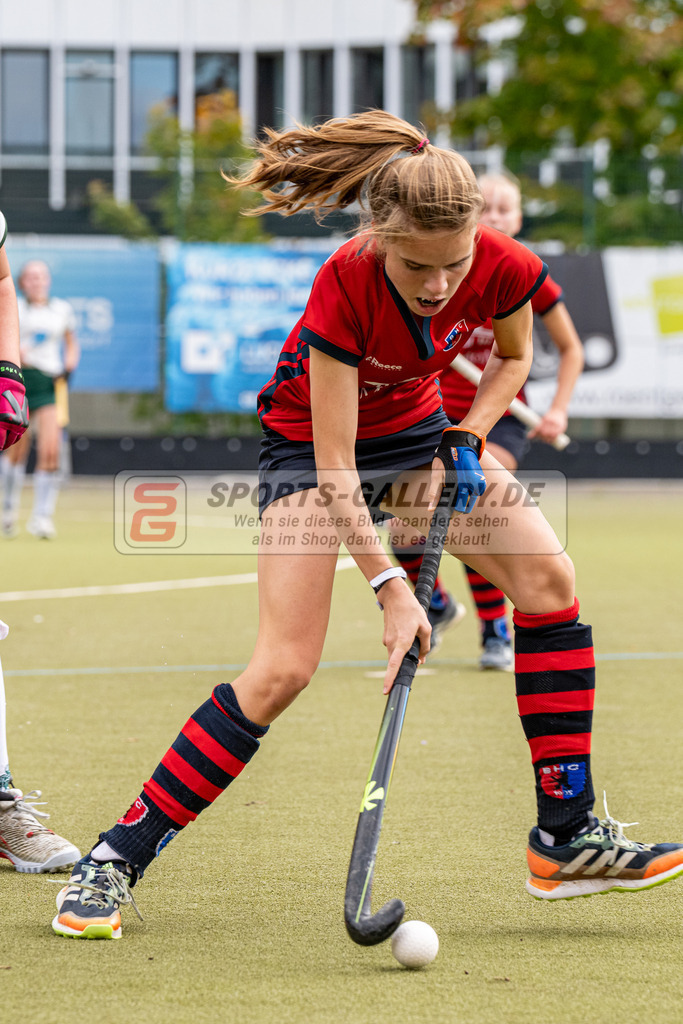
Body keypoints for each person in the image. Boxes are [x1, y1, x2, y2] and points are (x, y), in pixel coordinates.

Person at [51, 112, 683, 941]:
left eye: (451, 265)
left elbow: (514, 357)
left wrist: (470, 433)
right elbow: (337, 466)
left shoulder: (501, 261)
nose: (435, 285)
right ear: (381, 236)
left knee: (549, 582)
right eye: (415, 266)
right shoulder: (344, 283)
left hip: (423, 441)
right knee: (282, 668)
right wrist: (390, 588)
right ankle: (115, 856)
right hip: (314, 459)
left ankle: (563, 836)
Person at [391, 171, 585, 671]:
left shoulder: (522, 273)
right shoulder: (441, 272)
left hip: (497, 416)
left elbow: (570, 349)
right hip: (433, 413)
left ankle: (496, 629)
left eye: (506, 208)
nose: (496, 216)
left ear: (518, 218)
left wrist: (557, 408)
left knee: (470, 508)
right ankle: (436, 605)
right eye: (488, 207)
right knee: (402, 533)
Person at [0, 224, 80, 873]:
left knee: (44, 449)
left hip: (45, 376)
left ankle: (0, 805)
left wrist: (8, 365)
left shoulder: (52, 311)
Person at [1, 259, 80, 540]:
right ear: (23, 282)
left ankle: (42, 518)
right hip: (21, 382)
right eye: (31, 277)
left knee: (50, 451)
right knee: (17, 451)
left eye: (41, 276)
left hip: (48, 384)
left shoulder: (61, 311)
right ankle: (8, 510)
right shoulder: (15, 307)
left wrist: (68, 368)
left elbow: (71, 344)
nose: (37, 281)